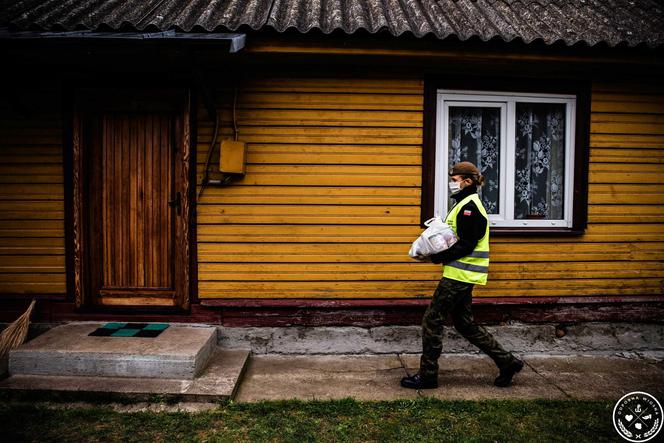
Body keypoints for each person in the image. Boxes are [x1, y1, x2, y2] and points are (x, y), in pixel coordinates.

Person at [401, 161, 524, 389]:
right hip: (462, 274)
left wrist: (434, 257)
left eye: (455, 180)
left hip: (460, 275)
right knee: (464, 324)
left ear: (467, 181)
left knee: (432, 319)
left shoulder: (470, 208)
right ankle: (507, 362)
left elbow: (467, 245)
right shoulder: (464, 204)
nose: (452, 183)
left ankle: (428, 376)